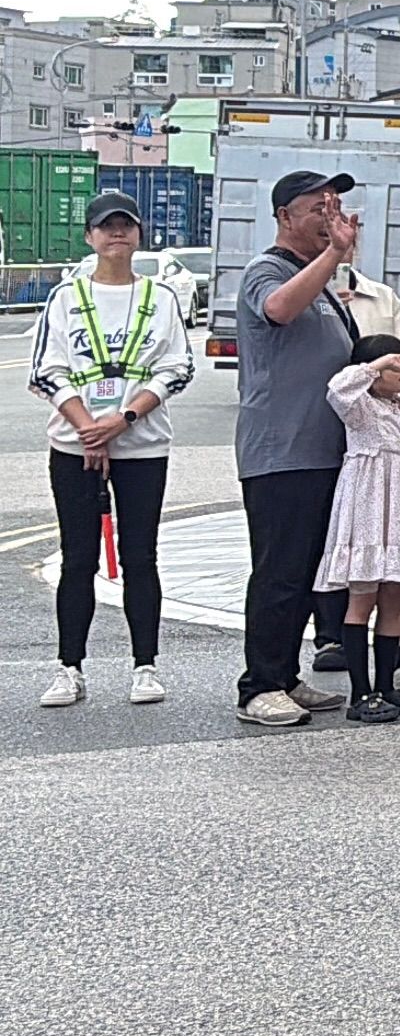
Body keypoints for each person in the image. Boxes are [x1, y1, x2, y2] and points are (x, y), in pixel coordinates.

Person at [32, 189, 197, 708]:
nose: (117, 233)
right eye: (106, 226)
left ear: (140, 234)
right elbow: (47, 370)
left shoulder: (160, 297)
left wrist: (122, 419)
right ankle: (70, 667)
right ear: (90, 236)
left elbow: (178, 367)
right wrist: (89, 429)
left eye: (126, 224)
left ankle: (145, 665)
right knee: (77, 557)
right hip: (74, 445)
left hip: (142, 444)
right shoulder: (66, 297)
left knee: (140, 556)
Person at [233, 170, 365, 726]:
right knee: (280, 572)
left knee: (308, 573)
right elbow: (279, 309)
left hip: (323, 451)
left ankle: (286, 676)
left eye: (335, 207)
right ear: (285, 216)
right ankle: (259, 685)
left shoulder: (324, 282)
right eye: (318, 209)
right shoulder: (266, 270)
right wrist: (333, 256)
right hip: (281, 451)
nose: (330, 219)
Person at [316, 332, 400, 724]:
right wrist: (373, 366)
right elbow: (337, 388)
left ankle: (386, 685)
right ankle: (360, 693)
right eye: (395, 365)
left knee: (394, 598)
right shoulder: (359, 408)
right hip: (368, 511)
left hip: (399, 512)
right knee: (363, 598)